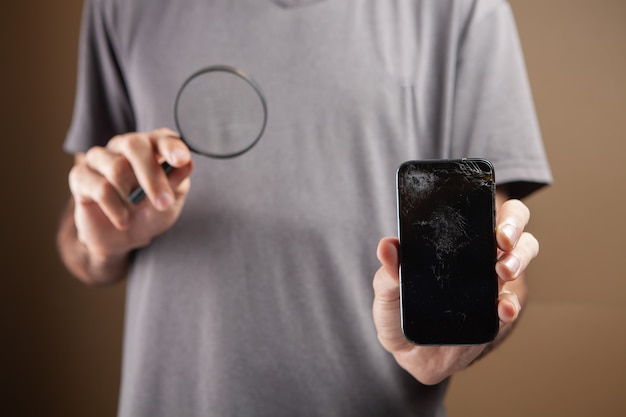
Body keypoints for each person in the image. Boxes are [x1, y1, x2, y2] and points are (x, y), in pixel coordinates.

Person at [57, 0, 552, 415]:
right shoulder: (121, 6)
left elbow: (499, 258)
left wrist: (455, 339)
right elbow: (81, 241)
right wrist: (102, 240)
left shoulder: (464, 8)